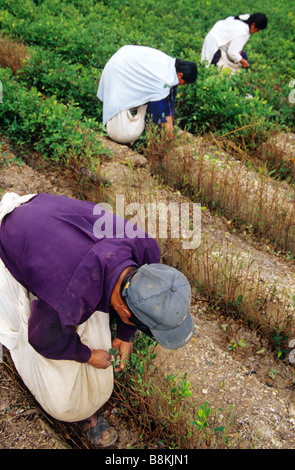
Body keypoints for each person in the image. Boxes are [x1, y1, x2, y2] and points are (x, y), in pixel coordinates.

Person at [0, 192, 194, 447]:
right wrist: (87, 355)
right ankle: (84, 415)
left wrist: (125, 334)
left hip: (49, 216)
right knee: (32, 331)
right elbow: (41, 338)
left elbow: (126, 293)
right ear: (124, 312)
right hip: (11, 236)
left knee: (76, 309)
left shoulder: (145, 248)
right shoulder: (69, 292)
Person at [97, 45, 197, 143]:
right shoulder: (163, 80)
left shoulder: (172, 69)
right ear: (180, 75)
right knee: (118, 106)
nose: (183, 85)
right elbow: (158, 111)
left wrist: (171, 127)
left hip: (126, 56)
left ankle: (167, 129)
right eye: (184, 82)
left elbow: (169, 100)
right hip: (120, 67)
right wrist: (168, 134)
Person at [201, 13, 268, 74]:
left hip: (218, 41)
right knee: (221, 73)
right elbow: (232, 53)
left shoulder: (244, 19)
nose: (257, 32)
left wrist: (239, 57)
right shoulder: (242, 32)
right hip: (216, 48)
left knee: (243, 55)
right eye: (258, 29)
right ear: (253, 25)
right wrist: (243, 62)